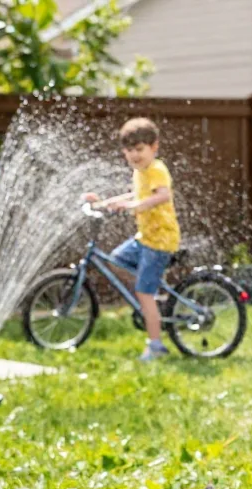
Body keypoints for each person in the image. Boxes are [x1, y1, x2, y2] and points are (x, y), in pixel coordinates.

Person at [83, 117, 181, 362]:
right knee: (115, 260)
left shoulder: (156, 169)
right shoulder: (139, 172)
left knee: (143, 293)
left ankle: (156, 344)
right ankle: (152, 296)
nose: (134, 155)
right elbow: (135, 195)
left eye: (140, 149)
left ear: (154, 147)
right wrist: (104, 203)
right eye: (129, 150)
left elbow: (162, 196)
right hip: (144, 238)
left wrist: (134, 205)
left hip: (159, 240)